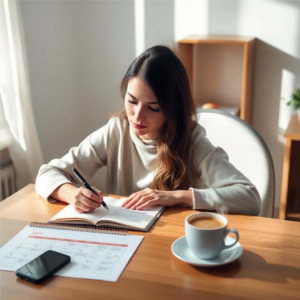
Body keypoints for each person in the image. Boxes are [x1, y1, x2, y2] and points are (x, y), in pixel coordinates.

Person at [36, 45, 261, 215]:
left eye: (153, 107)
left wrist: (176, 197)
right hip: (124, 239)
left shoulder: (192, 141)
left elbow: (250, 198)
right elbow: (46, 173)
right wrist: (73, 194)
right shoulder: (117, 131)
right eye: (132, 101)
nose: (137, 116)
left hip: (171, 243)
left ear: (173, 108)